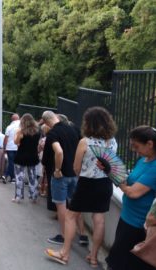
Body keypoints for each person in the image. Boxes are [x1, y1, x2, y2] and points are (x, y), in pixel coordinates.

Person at [45, 107, 118, 267]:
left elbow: (76, 168)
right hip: (105, 184)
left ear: (88, 123)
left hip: (86, 183)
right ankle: (93, 257)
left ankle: (64, 254)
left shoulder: (85, 142)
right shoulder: (112, 141)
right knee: (99, 219)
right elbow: (112, 164)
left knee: (71, 216)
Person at [106, 126, 156, 270]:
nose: (134, 150)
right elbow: (130, 180)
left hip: (137, 224)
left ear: (150, 144)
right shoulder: (143, 160)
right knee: (116, 257)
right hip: (126, 217)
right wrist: (110, 169)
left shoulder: (155, 167)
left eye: (136, 146)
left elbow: (133, 192)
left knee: (121, 262)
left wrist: (119, 182)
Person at [41, 110, 82, 245]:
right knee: (75, 205)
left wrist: (57, 170)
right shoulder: (73, 128)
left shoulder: (54, 133)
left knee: (61, 205)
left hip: (62, 175)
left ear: (46, 122)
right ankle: (82, 234)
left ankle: (64, 236)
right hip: (74, 173)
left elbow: (59, 151)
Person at [13, 113, 40, 203]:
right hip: (33, 156)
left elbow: (16, 143)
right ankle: (34, 196)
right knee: (33, 177)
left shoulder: (21, 132)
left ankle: (18, 196)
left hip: (21, 156)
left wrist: (18, 134)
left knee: (19, 177)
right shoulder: (37, 132)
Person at [4, 114, 20, 182]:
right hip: (18, 147)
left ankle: (8, 176)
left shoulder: (9, 127)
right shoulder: (21, 126)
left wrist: (4, 147)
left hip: (10, 147)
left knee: (11, 162)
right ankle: (12, 177)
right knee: (17, 163)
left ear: (12, 119)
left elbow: (6, 138)